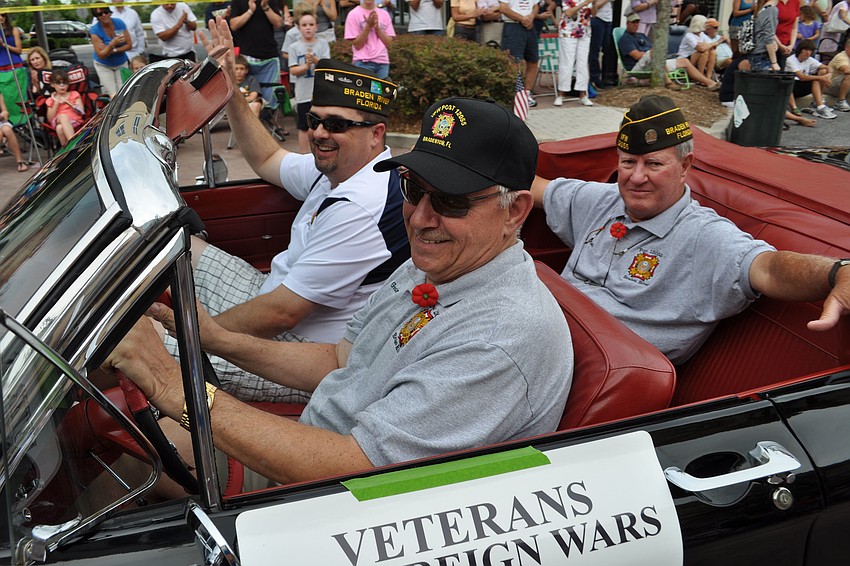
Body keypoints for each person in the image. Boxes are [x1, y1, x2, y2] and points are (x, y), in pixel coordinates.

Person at [103, 95, 573, 489]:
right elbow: (339, 361)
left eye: (451, 201)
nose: (421, 218)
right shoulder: (437, 267)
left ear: (515, 213)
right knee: (138, 442)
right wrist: (216, 338)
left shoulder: (500, 336)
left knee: (144, 460)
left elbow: (359, 469)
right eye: (412, 189)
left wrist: (169, 384)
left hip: (338, 496)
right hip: (325, 439)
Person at [180, 19, 409, 404]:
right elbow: (268, 156)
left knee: (149, 349)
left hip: (302, 349)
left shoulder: (359, 208)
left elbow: (283, 314)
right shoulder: (341, 166)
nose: (319, 133)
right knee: (175, 246)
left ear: (376, 133)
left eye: (337, 124)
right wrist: (231, 90)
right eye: (315, 120)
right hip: (272, 293)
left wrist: (199, 337)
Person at [531, 94, 850, 365]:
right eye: (628, 162)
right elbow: (533, 189)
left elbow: (770, 269)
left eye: (654, 164)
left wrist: (838, 272)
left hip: (596, 369)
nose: (636, 177)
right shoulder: (602, 200)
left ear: (685, 166)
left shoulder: (706, 237)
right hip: (538, 332)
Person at [618, 13, 720, 89]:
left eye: (637, 22)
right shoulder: (625, 38)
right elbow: (636, 56)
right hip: (639, 66)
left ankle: (709, 83)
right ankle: (668, 82)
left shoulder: (642, 35)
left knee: (684, 61)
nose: (636, 25)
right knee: (655, 51)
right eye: (633, 22)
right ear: (627, 23)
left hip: (655, 62)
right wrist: (654, 54)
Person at [230, 0, 289, 103]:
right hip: (248, 56)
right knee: (249, 97)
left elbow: (279, 23)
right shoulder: (237, 1)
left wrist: (266, 7)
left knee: (271, 99)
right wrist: (250, 11)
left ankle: (267, 116)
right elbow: (234, 25)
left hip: (269, 55)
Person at [288, 11, 331, 152]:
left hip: (321, 94)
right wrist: (306, 66)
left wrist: (315, 60)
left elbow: (327, 66)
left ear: (317, 27)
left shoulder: (323, 44)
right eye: (304, 25)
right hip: (303, 94)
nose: (308, 28)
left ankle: (321, 151)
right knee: (303, 126)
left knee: (322, 125)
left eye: (311, 24)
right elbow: (293, 70)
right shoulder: (294, 47)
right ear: (298, 27)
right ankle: (304, 154)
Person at [500, 0, 540, 106]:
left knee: (533, 61)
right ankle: (514, 94)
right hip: (513, 26)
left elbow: (536, 5)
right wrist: (522, 18)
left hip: (530, 26)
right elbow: (503, 8)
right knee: (514, 62)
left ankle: (526, 93)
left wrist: (531, 17)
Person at [555, 0, 594, 107]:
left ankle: (583, 95)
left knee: (582, 63)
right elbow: (568, 13)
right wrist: (585, 3)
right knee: (567, 62)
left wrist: (594, 4)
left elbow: (594, 13)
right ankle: (561, 94)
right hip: (568, 31)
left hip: (584, 32)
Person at [344, 0, 395, 78]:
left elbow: (388, 44)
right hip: (362, 62)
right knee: (364, 90)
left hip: (382, 63)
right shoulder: (353, 14)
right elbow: (357, 45)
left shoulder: (385, 14)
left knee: (381, 90)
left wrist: (377, 29)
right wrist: (368, 27)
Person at [786, 39, 836, 118]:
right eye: (805, 50)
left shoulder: (809, 60)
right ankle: (794, 108)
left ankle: (819, 105)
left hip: (801, 87)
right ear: (800, 50)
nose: (808, 53)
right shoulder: (790, 60)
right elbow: (801, 77)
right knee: (815, 79)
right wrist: (822, 78)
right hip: (792, 86)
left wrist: (829, 75)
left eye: (810, 51)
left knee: (822, 71)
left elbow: (827, 67)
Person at [90, 8, 132, 97]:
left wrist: (110, 50)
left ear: (110, 12)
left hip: (121, 62)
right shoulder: (95, 30)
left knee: (124, 93)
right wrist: (112, 44)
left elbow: (129, 45)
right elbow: (101, 55)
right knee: (113, 95)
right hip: (103, 65)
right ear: (97, 17)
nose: (104, 15)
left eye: (106, 12)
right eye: (100, 14)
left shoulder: (119, 23)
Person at [44, 68, 84, 146]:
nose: (62, 86)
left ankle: (66, 151)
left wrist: (69, 103)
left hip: (75, 120)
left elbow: (81, 112)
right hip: (57, 119)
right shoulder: (51, 99)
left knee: (59, 128)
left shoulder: (74, 94)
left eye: (65, 83)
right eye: (58, 83)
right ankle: (73, 143)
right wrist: (56, 103)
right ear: (52, 84)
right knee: (62, 116)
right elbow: (50, 119)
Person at [589, 0, 616, 89]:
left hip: (608, 18)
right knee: (595, 49)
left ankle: (606, 77)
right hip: (597, 18)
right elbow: (595, 6)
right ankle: (595, 78)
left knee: (607, 49)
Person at [749, 0, 781, 70]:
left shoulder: (762, 9)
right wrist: (774, 62)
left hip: (755, 52)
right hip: (762, 55)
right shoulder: (771, 10)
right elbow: (768, 38)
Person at [0, 93, 27, 173]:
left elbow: (5, 112)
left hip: (1, 121)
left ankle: (20, 161)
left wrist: (3, 114)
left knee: (7, 130)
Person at [826, 35, 850, 110]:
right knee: (848, 75)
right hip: (830, 85)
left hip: (841, 85)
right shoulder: (841, 57)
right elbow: (846, 70)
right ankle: (840, 102)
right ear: (847, 47)